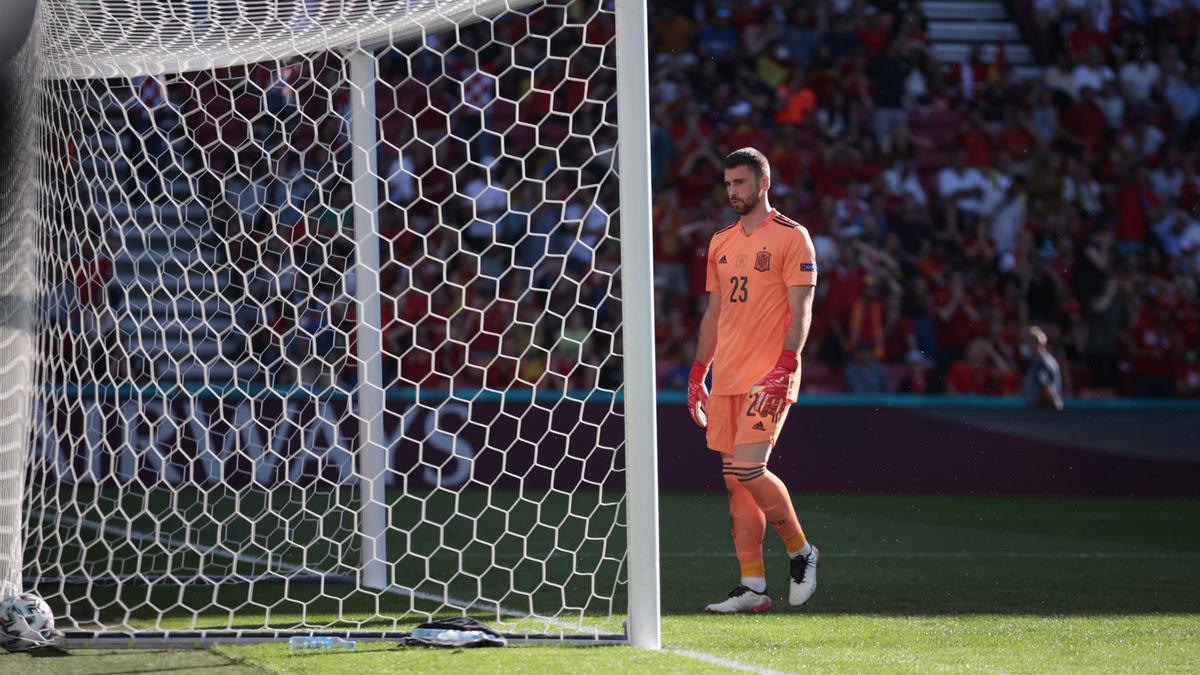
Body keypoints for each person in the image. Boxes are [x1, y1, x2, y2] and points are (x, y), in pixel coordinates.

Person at [687, 148, 819, 614]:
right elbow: (714, 313)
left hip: (769, 375)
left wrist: (787, 362)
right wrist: (699, 371)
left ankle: (801, 551)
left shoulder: (791, 237)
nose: (732, 192)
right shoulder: (722, 241)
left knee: (749, 469)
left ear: (764, 183)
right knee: (735, 483)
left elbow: (802, 309)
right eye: (727, 185)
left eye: (740, 183)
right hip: (726, 376)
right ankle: (752, 587)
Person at [1021, 326, 1063, 410]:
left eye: (1026, 343)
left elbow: (1048, 388)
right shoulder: (1042, 361)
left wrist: (1055, 408)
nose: (1024, 347)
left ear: (1034, 344)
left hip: (1041, 415)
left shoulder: (1041, 364)